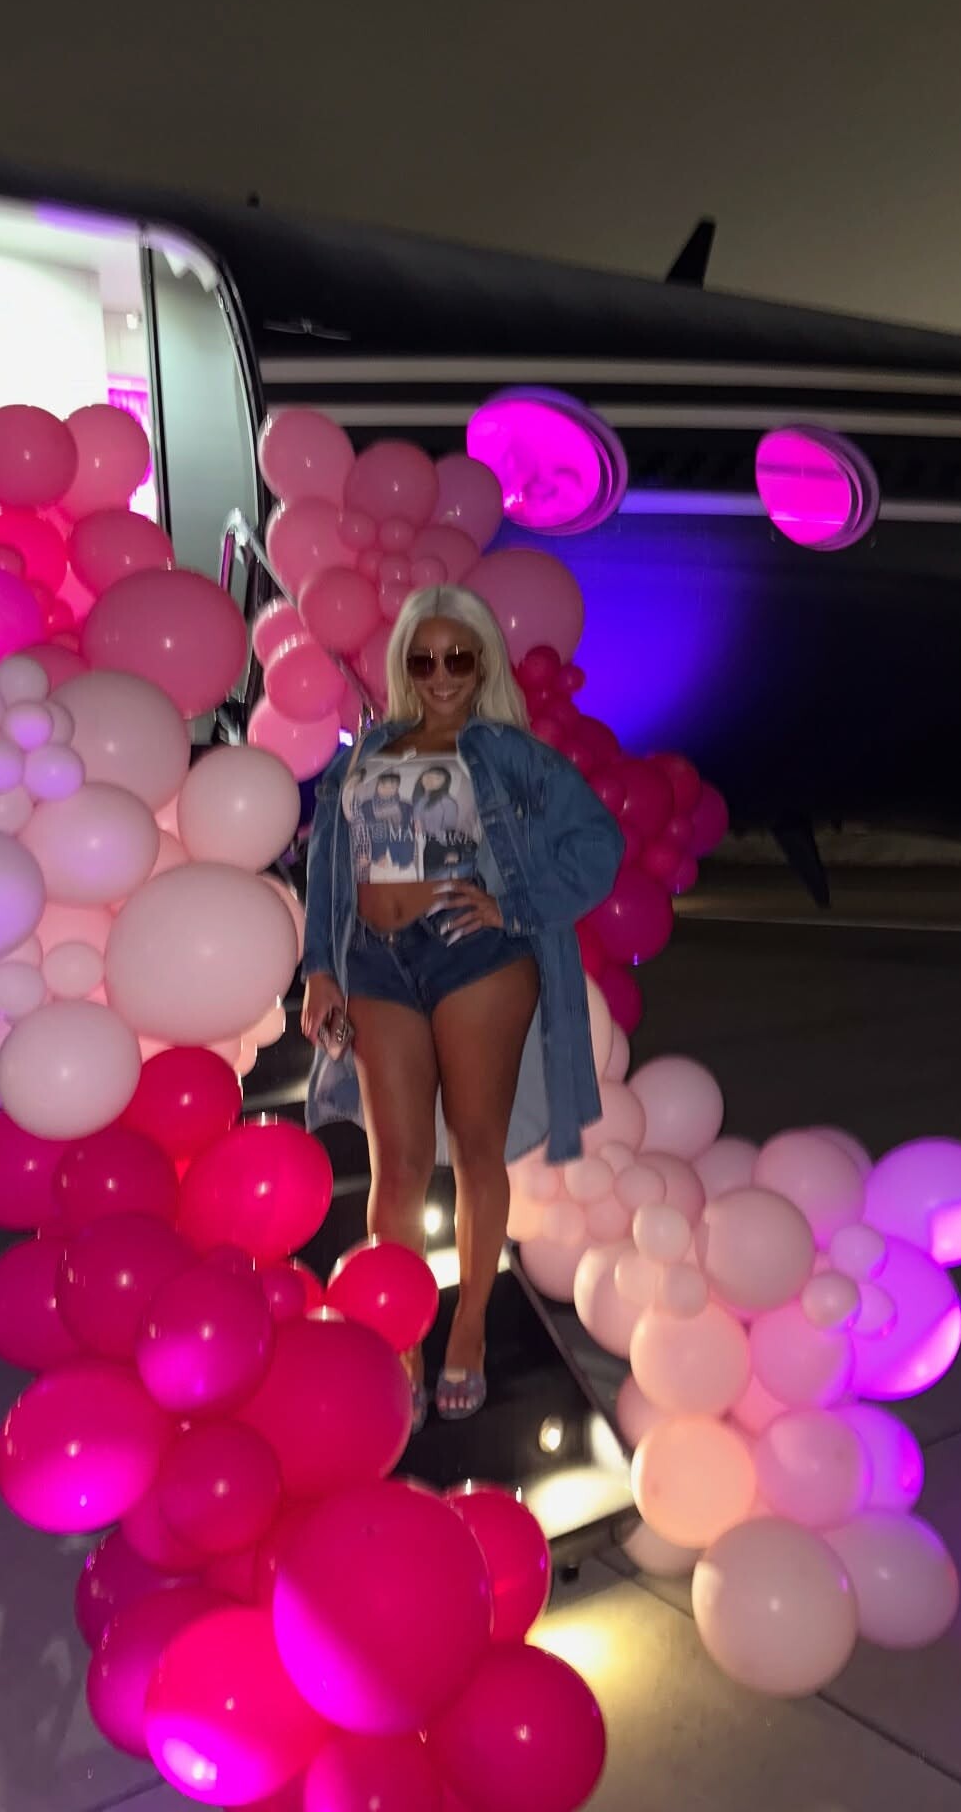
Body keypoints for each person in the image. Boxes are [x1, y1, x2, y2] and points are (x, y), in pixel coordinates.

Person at [300, 585, 623, 1426]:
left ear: (483, 664)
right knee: (397, 1166)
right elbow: (330, 866)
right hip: (375, 963)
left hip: (474, 957)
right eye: (423, 659)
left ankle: (469, 1328)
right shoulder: (365, 752)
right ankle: (401, 1338)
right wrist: (320, 970)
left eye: (458, 658)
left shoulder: (506, 753)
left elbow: (598, 841)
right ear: (403, 665)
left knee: (478, 1150)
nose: (440, 674)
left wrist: (515, 909)